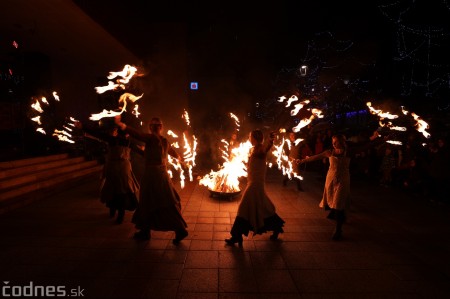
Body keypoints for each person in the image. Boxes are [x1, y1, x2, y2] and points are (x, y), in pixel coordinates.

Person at [114, 115, 188, 244]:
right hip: (163, 174)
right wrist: (182, 160)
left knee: (149, 201)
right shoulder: (164, 140)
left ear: (152, 128)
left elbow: (137, 134)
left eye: (153, 126)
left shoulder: (150, 138)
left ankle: (154, 231)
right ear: (161, 128)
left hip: (152, 175)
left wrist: (122, 125)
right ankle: (148, 230)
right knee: (166, 201)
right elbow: (173, 153)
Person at [298, 131, 383, 240]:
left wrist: (381, 139)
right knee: (333, 199)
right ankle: (336, 216)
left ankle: (338, 229)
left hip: (343, 179)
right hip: (331, 179)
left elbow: (366, 146)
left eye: (336, 142)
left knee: (339, 202)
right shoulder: (330, 152)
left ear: (342, 142)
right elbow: (315, 157)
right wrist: (301, 160)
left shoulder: (349, 152)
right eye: (333, 142)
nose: (334, 144)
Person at [225, 129, 285, 246]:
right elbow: (252, 164)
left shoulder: (260, 149)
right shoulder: (252, 149)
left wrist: (271, 140)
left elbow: (265, 149)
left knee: (243, 207)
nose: (249, 138)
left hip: (255, 184)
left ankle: (236, 236)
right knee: (263, 208)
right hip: (252, 182)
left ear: (255, 138)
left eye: (250, 136)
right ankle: (277, 227)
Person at [74, 120, 140, 224]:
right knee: (121, 190)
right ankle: (118, 213)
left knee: (113, 189)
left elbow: (97, 134)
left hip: (115, 167)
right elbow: (141, 151)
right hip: (123, 168)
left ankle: (114, 211)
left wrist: (83, 126)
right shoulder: (128, 143)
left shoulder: (112, 140)